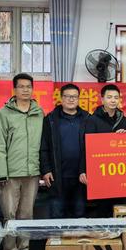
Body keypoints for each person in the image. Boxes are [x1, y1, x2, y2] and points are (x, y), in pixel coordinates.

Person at [0, 73, 45, 250]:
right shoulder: (3, 113)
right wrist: (1, 173)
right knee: (9, 214)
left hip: (32, 173)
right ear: (14, 90)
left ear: (32, 89)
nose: (25, 90)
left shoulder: (39, 113)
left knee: (27, 214)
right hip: (10, 174)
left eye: (28, 86)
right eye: (21, 86)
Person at [80, 84, 126, 217]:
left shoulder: (124, 121)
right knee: (102, 208)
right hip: (100, 172)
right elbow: (86, 146)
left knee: (120, 208)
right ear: (102, 99)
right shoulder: (92, 120)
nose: (113, 100)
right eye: (109, 97)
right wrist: (83, 170)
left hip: (120, 172)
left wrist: (124, 137)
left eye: (116, 97)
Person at [40, 83, 90, 218]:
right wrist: (46, 170)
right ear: (61, 98)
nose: (71, 99)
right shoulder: (50, 119)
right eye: (68, 96)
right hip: (57, 177)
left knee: (79, 215)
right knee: (57, 216)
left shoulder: (87, 118)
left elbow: (95, 146)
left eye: (74, 96)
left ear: (79, 99)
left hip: (81, 177)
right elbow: (44, 146)